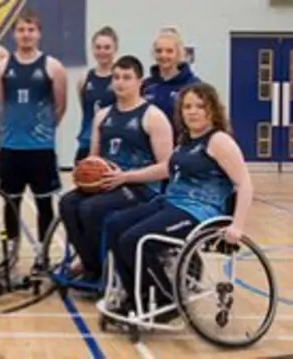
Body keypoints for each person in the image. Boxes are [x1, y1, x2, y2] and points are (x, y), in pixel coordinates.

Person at [105, 82, 251, 320]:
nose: (192, 111)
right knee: (114, 225)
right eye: (187, 107)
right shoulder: (186, 140)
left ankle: (168, 300)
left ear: (212, 110)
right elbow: (165, 170)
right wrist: (126, 176)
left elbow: (244, 184)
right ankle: (136, 295)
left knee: (136, 240)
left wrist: (237, 226)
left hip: (199, 213)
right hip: (171, 203)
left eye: (199, 106)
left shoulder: (219, 141)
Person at [58, 55, 174, 282]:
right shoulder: (102, 116)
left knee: (90, 209)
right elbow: (93, 157)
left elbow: (166, 167)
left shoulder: (153, 117)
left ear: (140, 81)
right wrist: (84, 171)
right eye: (116, 77)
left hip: (140, 188)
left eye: (127, 77)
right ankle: (91, 264)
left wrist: (125, 176)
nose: (120, 82)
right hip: (106, 183)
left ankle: (103, 268)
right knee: (68, 203)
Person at [0, 9, 67, 245]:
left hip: (40, 149)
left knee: (44, 203)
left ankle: (43, 254)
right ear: (14, 34)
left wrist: (42, 131)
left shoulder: (53, 66)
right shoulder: (2, 68)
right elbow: (0, 107)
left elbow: (60, 107)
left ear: (39, 34)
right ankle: (11, 250)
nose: (26, 35)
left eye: (31, 30)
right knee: (11, 201)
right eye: (21, 30)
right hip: (11, 147)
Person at [142, 27, 200, 135]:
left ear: (178, 54)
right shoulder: (146, 85)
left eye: (169, 51)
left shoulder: (192, 84)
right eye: (159, 51)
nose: (163, 55)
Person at [75, 26, 118, 162]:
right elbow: (85, 109)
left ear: (115, 49)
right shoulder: (84, 78)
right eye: (98, 47)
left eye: (107, 47)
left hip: (113, 143)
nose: (102, 52)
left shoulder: (120, 78)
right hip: (87, 142)